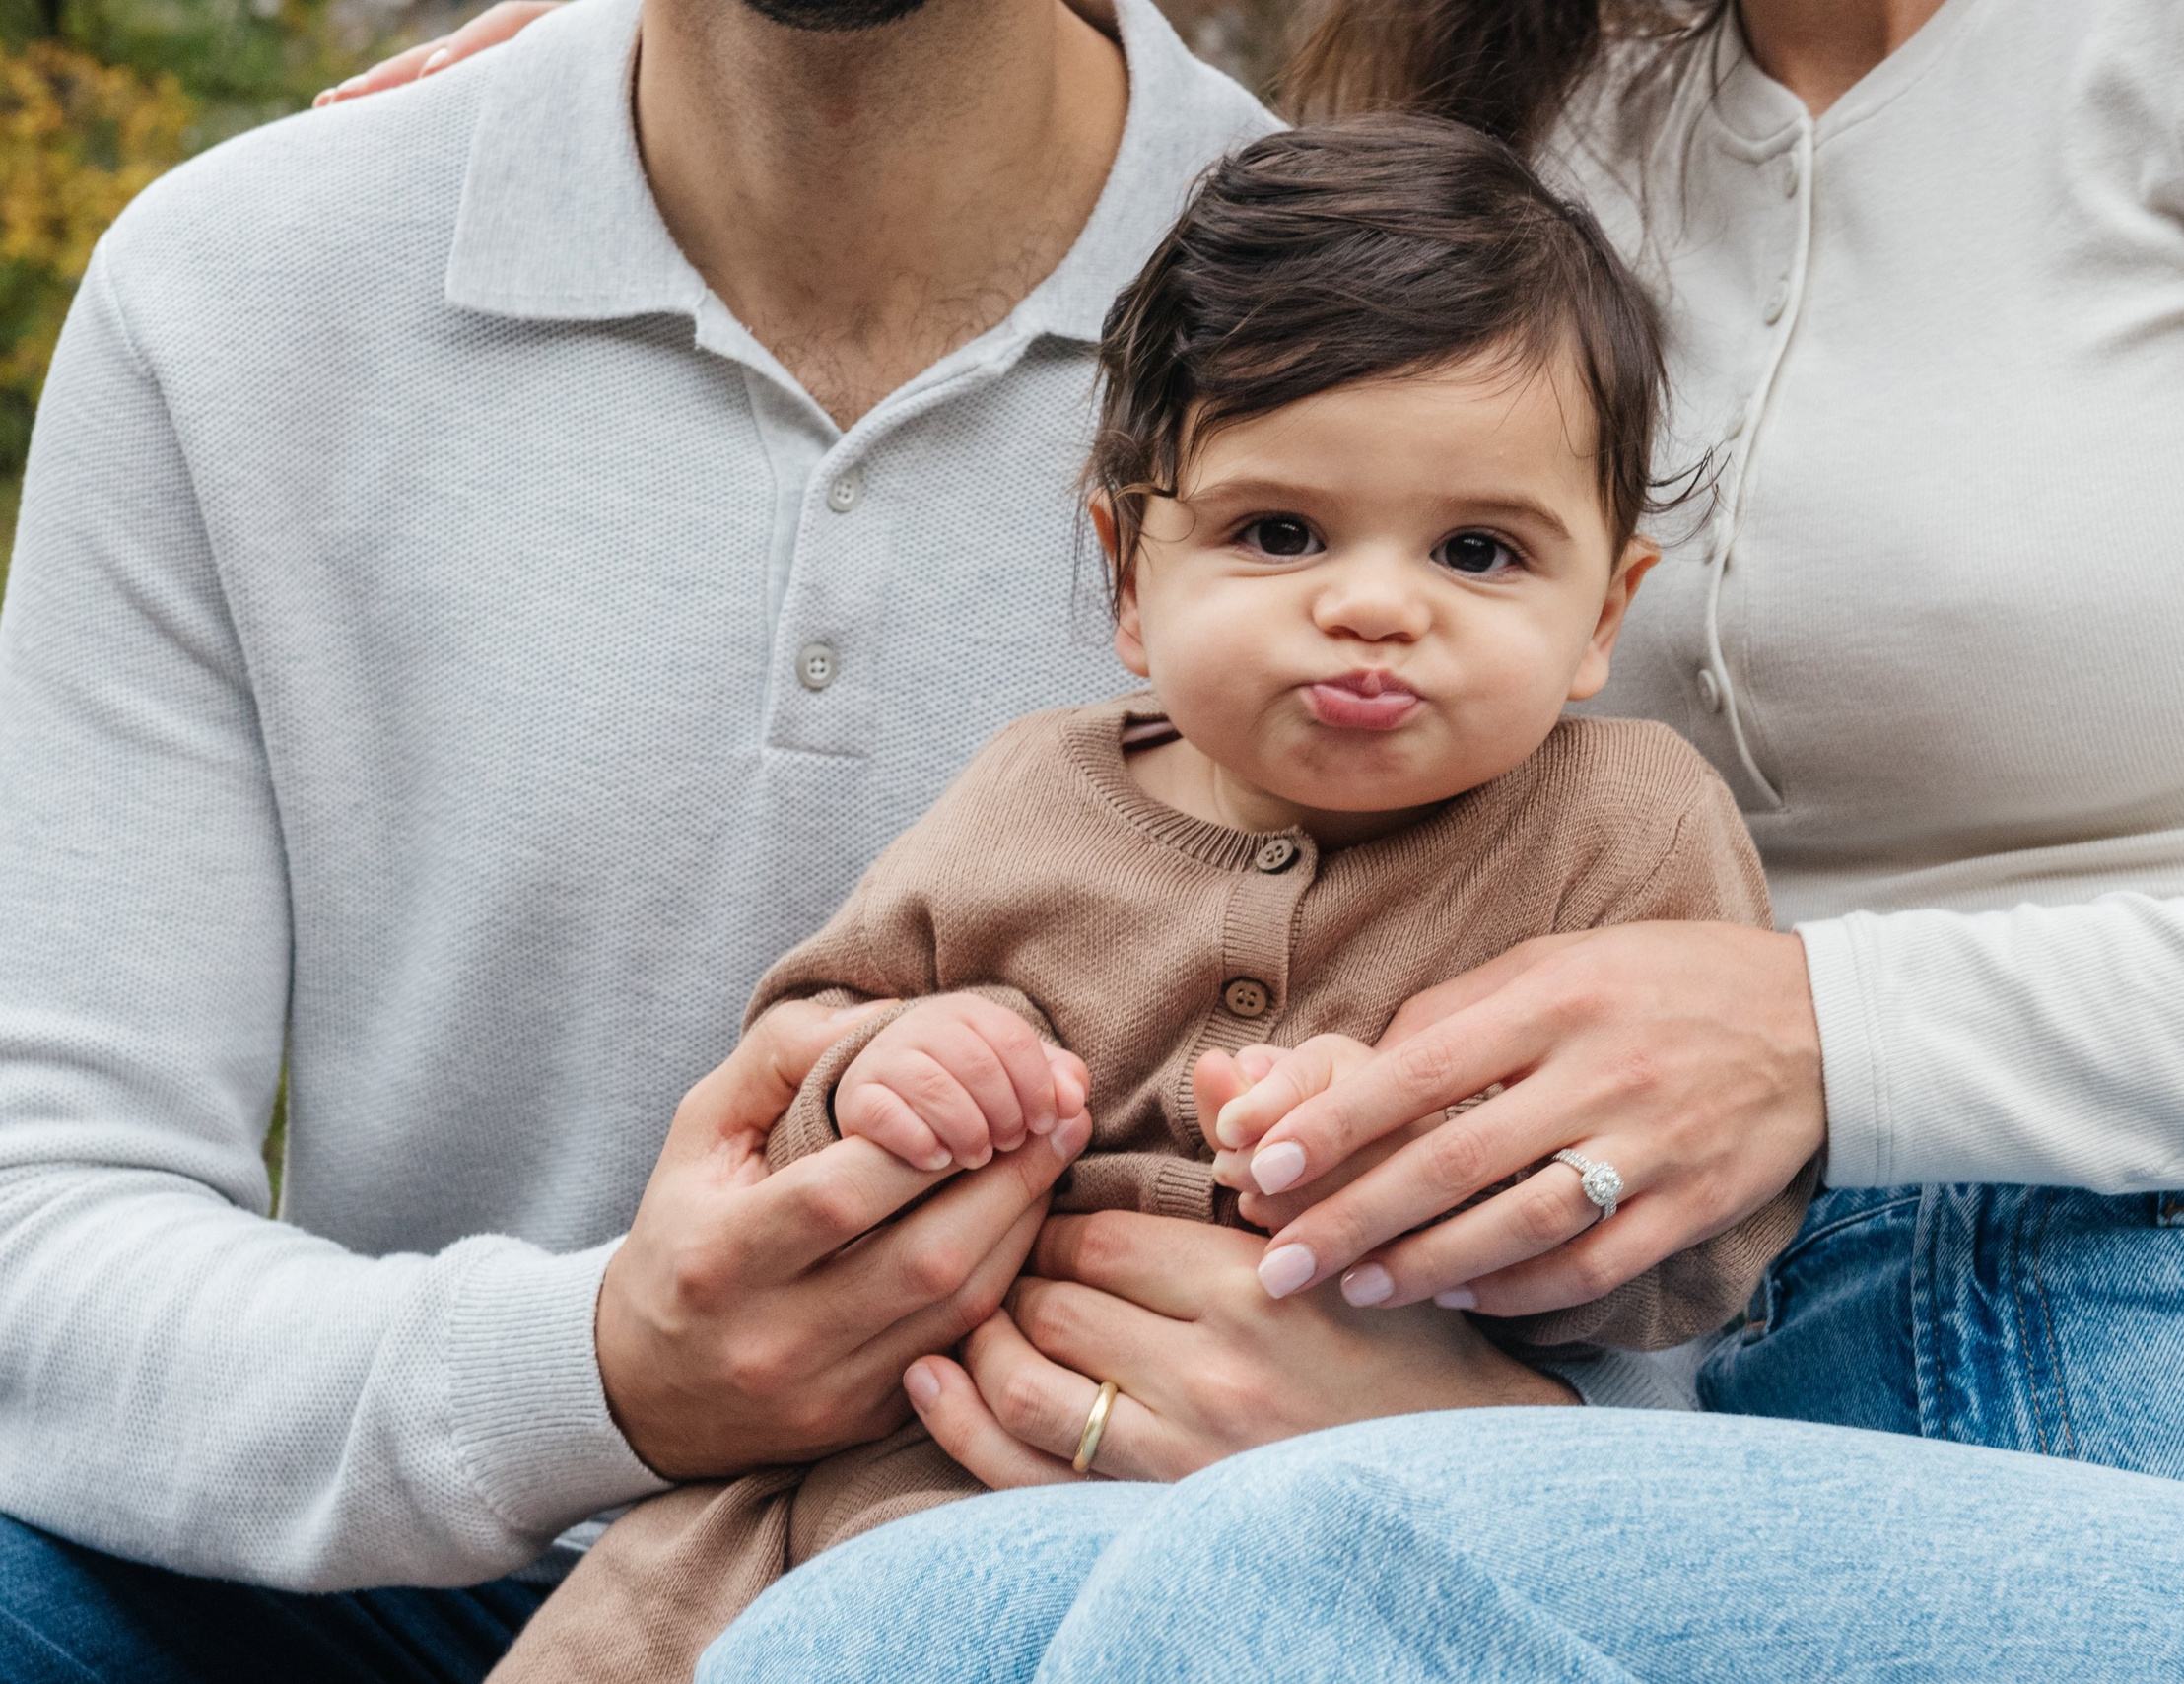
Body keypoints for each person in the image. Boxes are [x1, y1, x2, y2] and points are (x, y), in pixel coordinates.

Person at [0, 0, 1339, 1675]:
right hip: (401, 1568)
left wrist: (1441, 1431)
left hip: (1088, 1584)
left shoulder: (1413, 326)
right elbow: (40, 1228)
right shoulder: (241, 282)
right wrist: (603, 1371)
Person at [486, 116, 1811, 1683]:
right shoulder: (1032, 792)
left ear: (1604, 612)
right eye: (1279, 532)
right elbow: (794, 1069)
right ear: (1128, 574)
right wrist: (897, 1072)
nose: (1374, 602)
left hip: (1325, 1554)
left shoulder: (1627, 828)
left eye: (1477, 549)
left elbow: (1708, 1260)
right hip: (840, 1506)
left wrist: (1435, 1173)